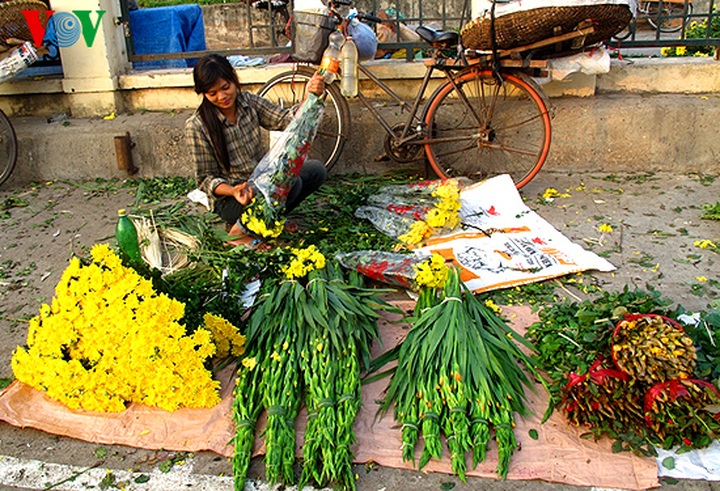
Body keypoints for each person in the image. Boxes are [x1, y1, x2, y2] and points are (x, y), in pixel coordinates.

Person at [186, 54, 327, 246]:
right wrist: (234, 190)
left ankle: (269, 219)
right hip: (232, 199)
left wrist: (309, 96)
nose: (222, 96)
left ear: (234, 79)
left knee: (315, 171)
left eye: (225, 87)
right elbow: (205, 179)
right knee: (291, 187)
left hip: (262, 182)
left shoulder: (249, 103)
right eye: (213, 93)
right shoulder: (197, 125)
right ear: (204, 94)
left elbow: (286, 120)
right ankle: (238, 233)